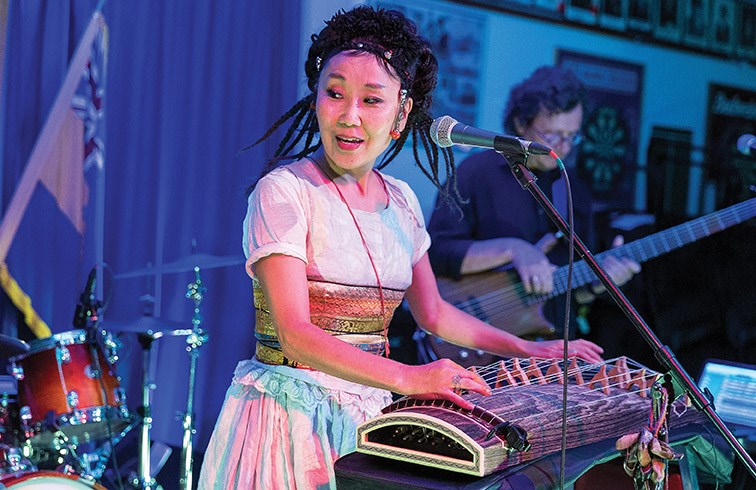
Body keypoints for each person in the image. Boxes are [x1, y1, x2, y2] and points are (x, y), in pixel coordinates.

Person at [198, 10, 603, 489]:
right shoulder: (284, 191)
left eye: (372, 100)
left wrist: (529, 348)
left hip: (371, 415)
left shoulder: (403, 201)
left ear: (402, 113)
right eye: (334, 94)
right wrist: (411, 378)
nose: (349, 116)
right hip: (290, 414)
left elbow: (434, 313)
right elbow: (295, 334)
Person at [427, 65, 641, 339]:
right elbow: (437, 252)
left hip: (551, 346)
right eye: (551, 135)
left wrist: (597, 285)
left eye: (571, 136)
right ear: (520, 123)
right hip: (482, 339)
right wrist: (514, 250)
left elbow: (573, 291)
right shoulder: (476, 173)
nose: (561, 147)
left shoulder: (573, 188)